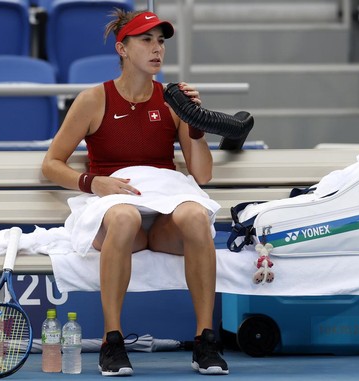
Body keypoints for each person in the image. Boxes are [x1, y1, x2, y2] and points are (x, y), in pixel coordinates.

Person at [42, 8, 229, 377]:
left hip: (160, 223)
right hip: (116, 214)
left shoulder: (174, 101)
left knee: (194, 214)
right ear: (122, 49)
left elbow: (202, 176)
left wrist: (195, 122)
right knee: (125, 217)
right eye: (146, 40)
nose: (157, 48)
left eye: (160, 41)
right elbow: (52, 164)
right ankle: (113, 342)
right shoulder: (94, 99)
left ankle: (205, 340)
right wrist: (94, 182)